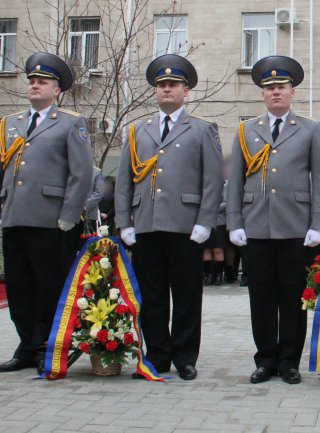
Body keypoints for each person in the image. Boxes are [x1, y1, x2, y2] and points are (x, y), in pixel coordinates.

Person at [115, 54, 224, 381]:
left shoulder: (202, 129)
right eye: (161, 85)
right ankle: (158, 355)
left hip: (185, 225)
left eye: (173, 85)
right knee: (152, 295)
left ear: (186, 90)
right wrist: (125, 222)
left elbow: (212, 179)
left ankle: (185, 356)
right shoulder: (137, 131)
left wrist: (205, 221)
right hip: (146, 224)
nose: (166, 90)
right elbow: (124, 180)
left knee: (188, 294)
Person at [227, 55, 320, 385]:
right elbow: (237, 181)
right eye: (269, 88)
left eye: (281, 87)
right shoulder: (246, 130)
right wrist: (234, 223)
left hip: (295, 227)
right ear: (262, 93)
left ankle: (289, 361)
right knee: (261, 297)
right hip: (256, 225)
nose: (275, 92)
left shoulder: (310, 129)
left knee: (293, 297)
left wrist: (317, 225)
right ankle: (265, 359)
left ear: (292, 92)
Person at [0, 53, 92, 373]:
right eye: (31, 81)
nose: (34, 85)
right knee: (18, 288)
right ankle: (26, 345)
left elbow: (81, 173)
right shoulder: (11, 123)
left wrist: (69, 214)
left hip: (51, 220)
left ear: (56, 90)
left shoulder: (71, 122)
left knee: (49, 286)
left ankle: (47, 346)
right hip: (15, 215)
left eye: (42, 82)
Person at [202, 158, 233, 286]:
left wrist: (212, 206)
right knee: (206, 250)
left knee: (218, 250)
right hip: (205, 221)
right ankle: (209, 275)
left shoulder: (225, 184)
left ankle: (219, 275)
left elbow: (227, 203)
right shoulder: (204, 184)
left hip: (219, 221)